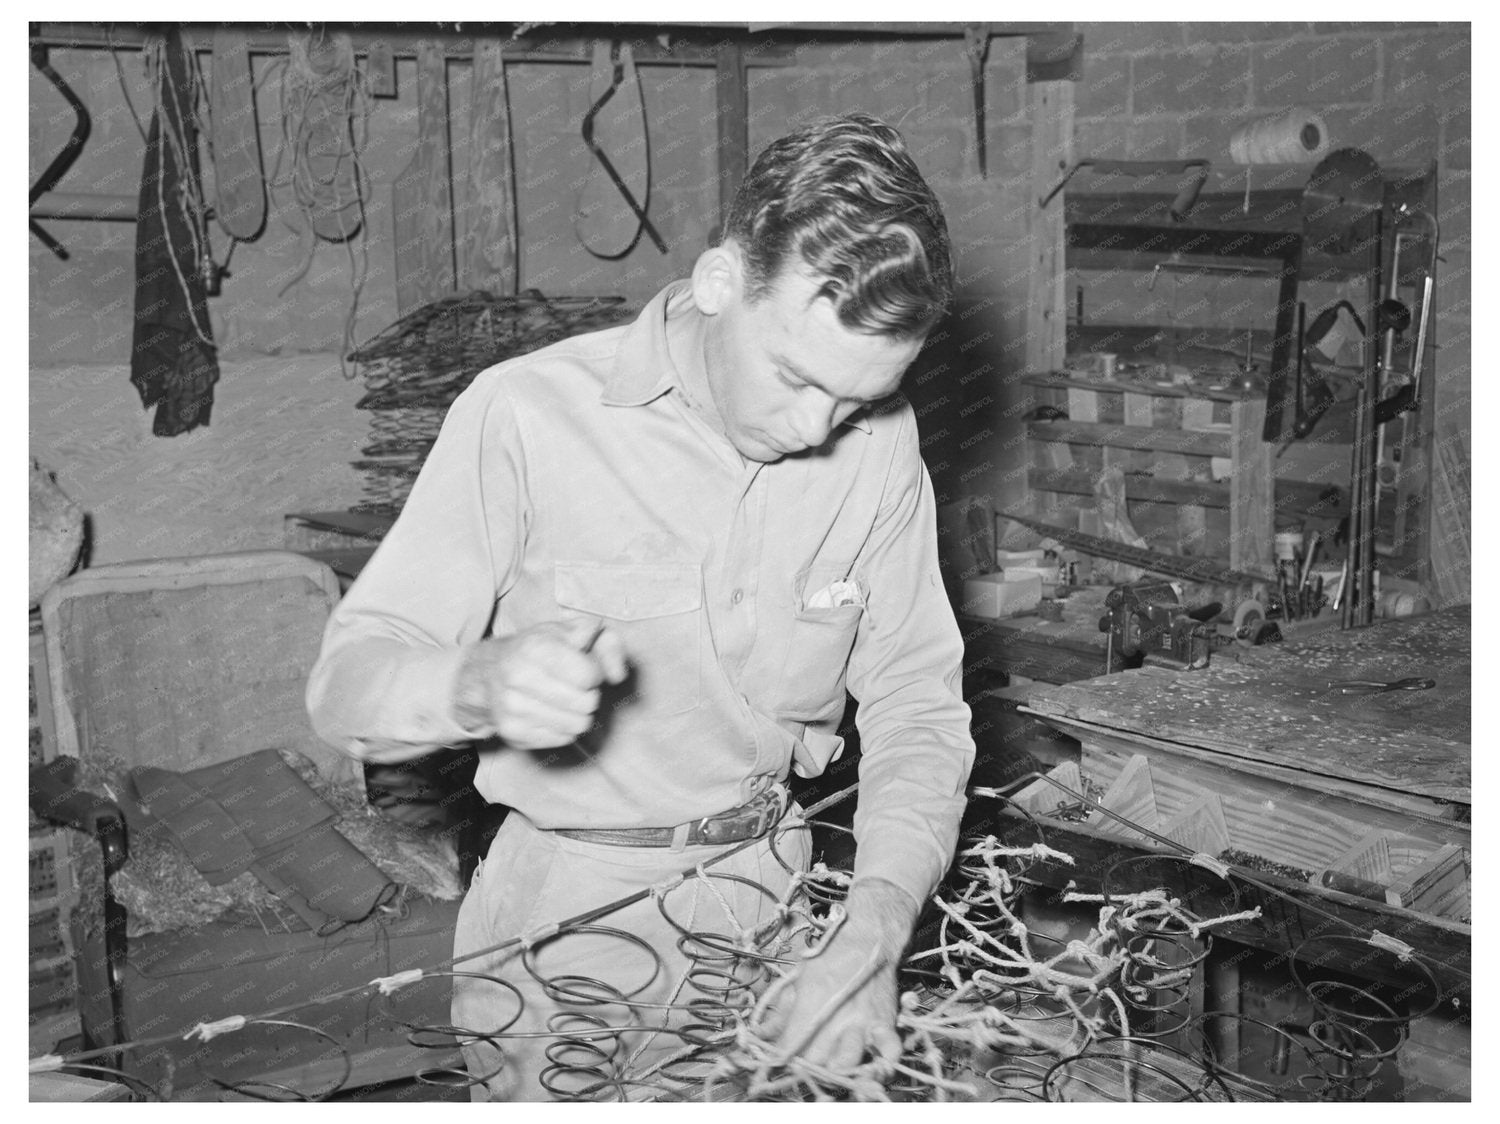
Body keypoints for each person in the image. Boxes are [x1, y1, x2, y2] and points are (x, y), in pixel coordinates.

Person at [306, 112, 975, 1100]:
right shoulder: (527, 415)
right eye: (795, 377)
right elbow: (343, 687)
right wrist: (470, 683)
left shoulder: (876, 443)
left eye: (857, 397)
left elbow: (919, 709)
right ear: (718, 284)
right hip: (567, 923)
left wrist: (872, 931)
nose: (815, 428)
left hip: (771, 895)